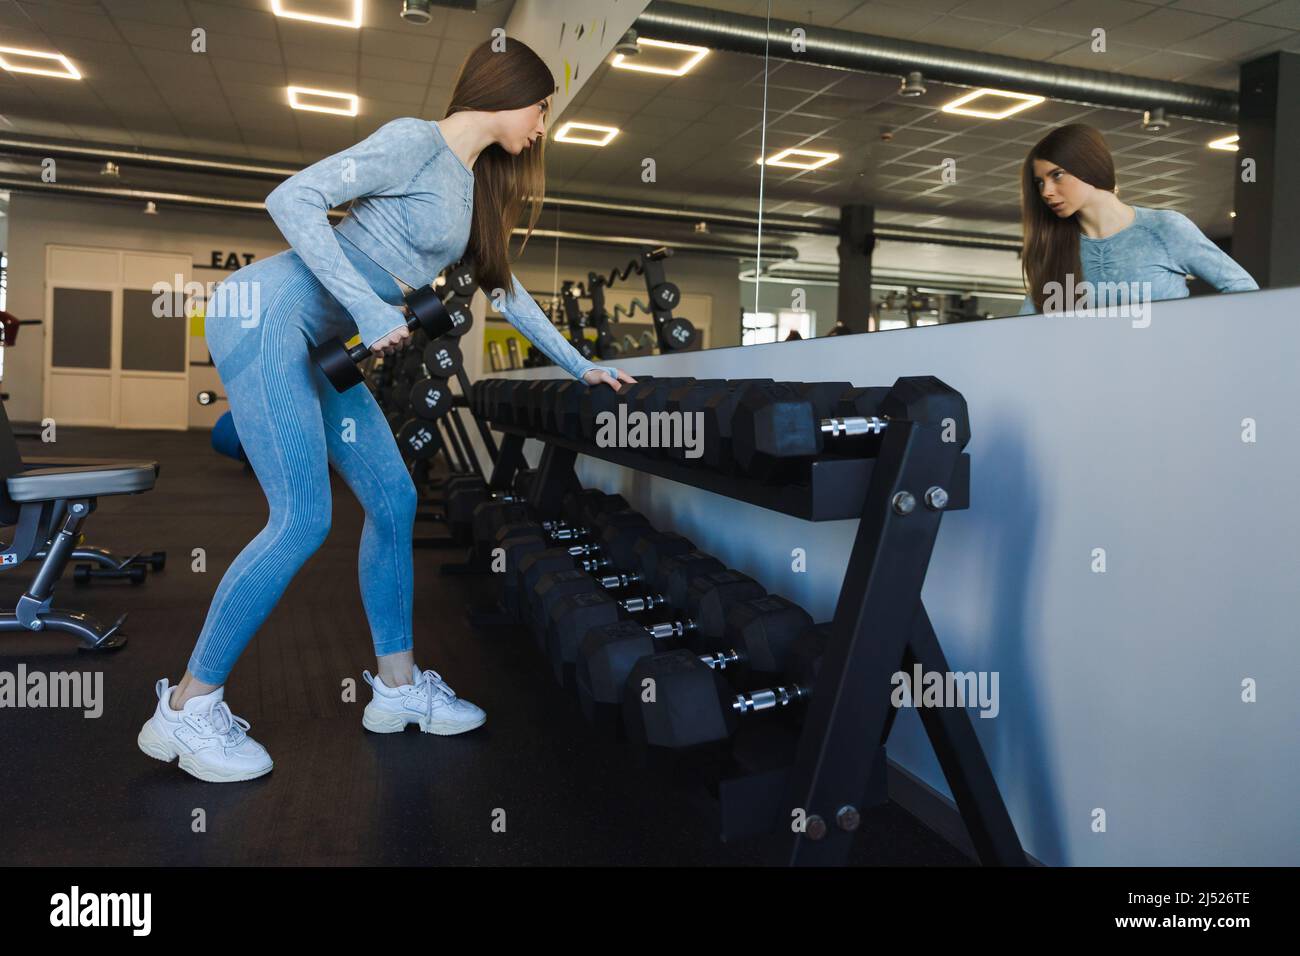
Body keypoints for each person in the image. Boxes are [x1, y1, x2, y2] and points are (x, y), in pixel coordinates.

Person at [138, 37, 633, 783]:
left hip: (317, 344)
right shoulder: (414, 142)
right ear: (508, 92)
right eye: (540, 107)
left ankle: (397, 692)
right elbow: (291, 198)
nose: (540, 126)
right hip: (263, 312)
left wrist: (581, 364)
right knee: (303, 517)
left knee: (395, 500)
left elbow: (505, 291)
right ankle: (185, 708)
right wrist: (369, 307)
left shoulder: (473, 188)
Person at [1018, 123, 1257, 315]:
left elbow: (1243, 290)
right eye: (1040, 182)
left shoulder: (1165, 228)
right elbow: (1026, 331)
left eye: (1057, 175)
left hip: (1165, 372)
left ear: (1088, 166)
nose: (1045, 191)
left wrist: (1198, 340)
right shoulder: (1055, 247)